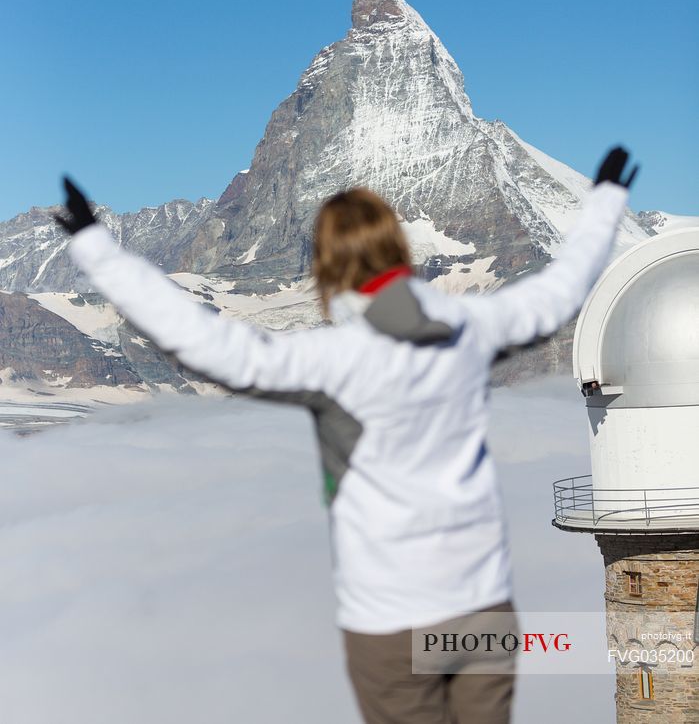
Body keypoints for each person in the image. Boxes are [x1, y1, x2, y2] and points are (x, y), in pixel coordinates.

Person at [54, 146, 639, 724]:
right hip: (483, 609)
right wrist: (606, 202)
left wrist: (96, 248)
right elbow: (559, 291)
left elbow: (203, 343)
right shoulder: (471, 327)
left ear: (327, 266)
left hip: (392, 621)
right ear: (400, 249)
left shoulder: (333, 360)